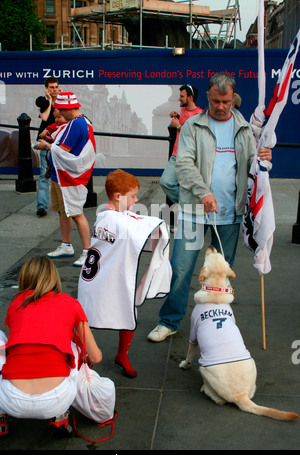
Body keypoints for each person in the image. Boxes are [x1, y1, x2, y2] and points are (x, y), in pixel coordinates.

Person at [148, 73, 272, 343]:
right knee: (181, 268)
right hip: (194, 211)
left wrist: (264, 159)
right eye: (216, 101)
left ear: (233, 98)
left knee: (220, 274)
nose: (220, 106)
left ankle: (217, 323)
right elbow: (183, 164)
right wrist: (203, 192)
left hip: (230, 214)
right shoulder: (192, 125)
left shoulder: (244, 129)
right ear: (208, 97)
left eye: (225, 101)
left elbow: (253, 166)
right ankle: (169, 321)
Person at [77, 169, 172, 377]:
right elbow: (141, 225)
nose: (136, 200)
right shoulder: (119, 221)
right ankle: (83, 357)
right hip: (104, 276)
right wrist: (161, 226)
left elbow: (130, 224)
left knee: (125, 310)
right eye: (133, 196)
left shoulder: (104, 216)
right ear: (118, 197)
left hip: (98, 276)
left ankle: (119, 355)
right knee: (89, 316)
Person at [0, 256, 102, 437]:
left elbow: (15, 342)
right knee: (72, 344)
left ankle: (1, 420)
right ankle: (60, 417)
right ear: (53, 277)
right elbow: (95, 357)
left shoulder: (16, 304)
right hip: (57, 398)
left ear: (24, 278)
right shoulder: (71, 303)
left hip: (10, 400)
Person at [36, 91, 96, 267]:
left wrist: (46, 145)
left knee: (76, 213)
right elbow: (60, 138)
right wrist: (50, 135)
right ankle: (66, 245)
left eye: (61, 110)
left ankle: (87, 251)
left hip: (69, 177)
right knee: (64, 212)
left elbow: (62, 150)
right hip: (61, 176)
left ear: (68, 108)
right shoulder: (78, 122)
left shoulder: (77, 124)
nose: (59, 114)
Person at [159, 84, 203, 204]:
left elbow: (194, 137)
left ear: (190, 98)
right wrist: (177, 116)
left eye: (182, 96)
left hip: (189, 158)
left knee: (189, 188)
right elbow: (185, 122)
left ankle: (190, 207)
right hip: (175, 156)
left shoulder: (199, 115)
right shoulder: (183, 108)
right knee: (165, 182)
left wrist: (178, 125)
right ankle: (187, 205)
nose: (179, 98)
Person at [35, 77, 61, 217]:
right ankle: (42, 206)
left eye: (56, 87)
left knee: (60, 174)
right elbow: (45, 118)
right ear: (46, 88)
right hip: (45, 142)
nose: (54, 90)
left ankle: (62, 204)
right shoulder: (43, 101)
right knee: (44, 175)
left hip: (58, 142)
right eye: (51, 87)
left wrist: (59, 98)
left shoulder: (62, 101)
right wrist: (50, 101)